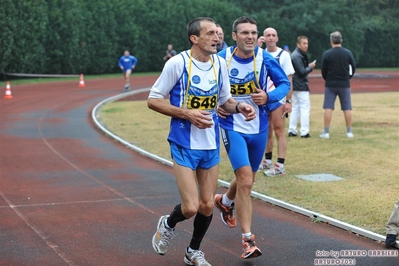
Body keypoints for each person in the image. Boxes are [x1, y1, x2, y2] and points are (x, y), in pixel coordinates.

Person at [148, 17, 256, 266]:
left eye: (218, 34)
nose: (217, 38)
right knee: (191, 207)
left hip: (210, 144)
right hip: (183, 142)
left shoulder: (220, 64)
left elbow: (225, 102)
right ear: (194, 38)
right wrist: (187, 113)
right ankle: (168, 223)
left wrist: (240, 106)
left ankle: (192, 251)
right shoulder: (177, 64)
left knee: (208, 205)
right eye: (209, 34)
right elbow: (153, 99)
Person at [214, 17, 290, 259]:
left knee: (247, 178)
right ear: (234, 36)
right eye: (244, 32)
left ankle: (225, 201)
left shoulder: (265, 58)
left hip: (259, 127)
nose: (249, 36)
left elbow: (284, 84)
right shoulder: (221, 59)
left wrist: (268, 97)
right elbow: (208, 87)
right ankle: (248, 241)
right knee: (246, 180)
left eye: (253, 32)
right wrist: (216, 104)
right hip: (231, 125)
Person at [257, 27, 295, 176]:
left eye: (273, 35)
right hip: (264, 96)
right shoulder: (260, 53)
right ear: (264, 38)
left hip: (278, 98)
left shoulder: (283, 55)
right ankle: (267, 161)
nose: (271, 38)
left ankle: (280, 164)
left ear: (277, 38)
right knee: (266, 131)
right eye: (268, 35)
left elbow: (289, 78)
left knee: (279, 130)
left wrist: (289, 101)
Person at [319, 31, 356, 139]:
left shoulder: (326, 54)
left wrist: (328, 79)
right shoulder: (348, 53)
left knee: (328, 107)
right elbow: (353, 68)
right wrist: (347, 78)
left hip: (330, 84)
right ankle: (349, 132)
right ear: (341, 40)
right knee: (347, 108)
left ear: (331, 41)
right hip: (344, 84)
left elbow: (323, 70)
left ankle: (326, 132)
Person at [287, 36, 316, 138]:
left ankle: (292, 130)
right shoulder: (297, 56)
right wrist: (311, 67)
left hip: (295, 85)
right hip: (301, 85)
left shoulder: (296, 54)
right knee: (304, 108)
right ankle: (304, 132)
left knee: (296, 108)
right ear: (298, 44)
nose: (306, 45)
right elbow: (302, 72)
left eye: (307, 43)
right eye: (304, 43)